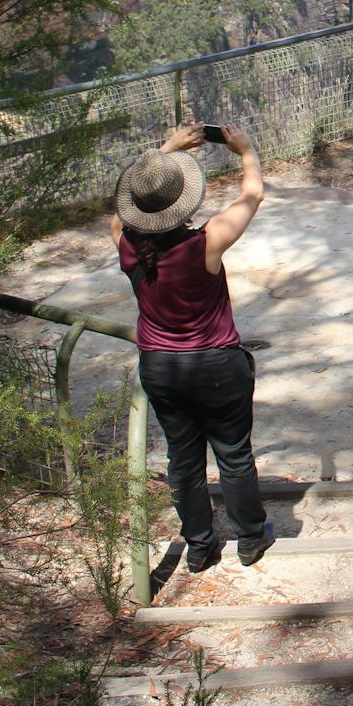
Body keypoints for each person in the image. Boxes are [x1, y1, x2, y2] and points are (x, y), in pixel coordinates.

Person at [112, 123, 273, 573]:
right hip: (217, 365)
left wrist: (162, 153)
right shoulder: (205, 243)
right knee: (233, 453)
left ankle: (200, 546)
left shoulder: (126, 245)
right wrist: (246, 150)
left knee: (182, 457)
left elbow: (120, 214)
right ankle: (249, 538)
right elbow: (252, 196)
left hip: (160, 367)